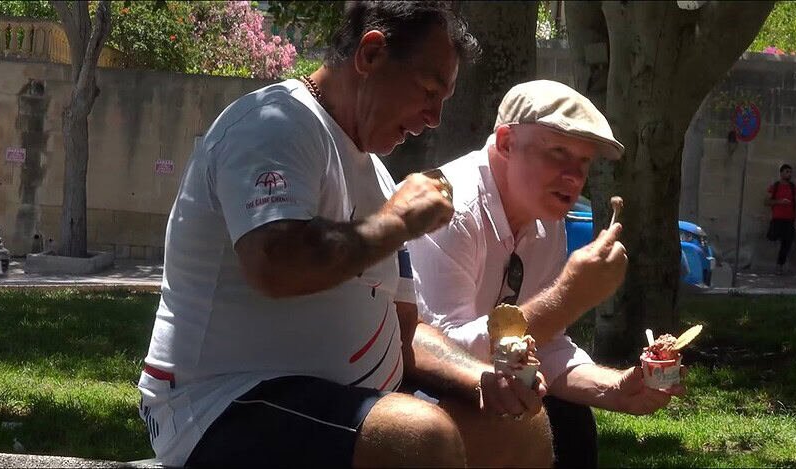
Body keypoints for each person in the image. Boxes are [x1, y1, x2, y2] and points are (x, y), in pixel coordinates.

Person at [137, 3, 553, 467]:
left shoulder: (376, 175)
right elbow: (274, 262)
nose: (434, 117)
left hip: (345, 405)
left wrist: (481, 379)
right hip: (217, 405)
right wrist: (395, 222)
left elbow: (405, 335)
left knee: (519, 424)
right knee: (418, 437)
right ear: (371, 54)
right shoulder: (275, 124)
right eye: (429, 89)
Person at [404, 80, 685, 468]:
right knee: (528, 419)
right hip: (417, 392)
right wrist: (568, 297)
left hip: (490, 382)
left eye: (585, 162)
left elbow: (546, 344)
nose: (574, 176)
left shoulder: (545, 219)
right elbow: (444, 357)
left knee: (571, 421)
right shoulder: (449, 210)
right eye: (559, 153)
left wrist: (616, 389)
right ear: (505, 143)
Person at [764, 164, 796, 275]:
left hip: (789, 220)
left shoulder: (793, 188)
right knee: (772, 238)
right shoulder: (775, 186)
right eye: (786, 172)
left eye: (790, 172)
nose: (789, 174)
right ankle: (768, 262)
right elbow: (766, 202)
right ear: (781, 173)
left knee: (787, 243)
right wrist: (780, 202)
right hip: (777, 219)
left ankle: (779, 265)